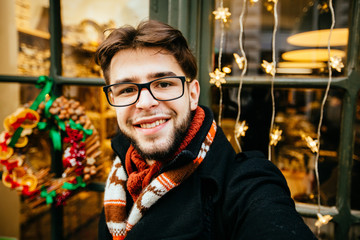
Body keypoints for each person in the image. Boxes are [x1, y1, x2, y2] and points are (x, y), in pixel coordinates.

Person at [95, 20, 316, 240]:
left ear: (192, 95)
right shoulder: (120, 174)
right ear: (113, 100)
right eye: (127, 89)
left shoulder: (244, 184)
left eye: (163, 83)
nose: (145, 102)